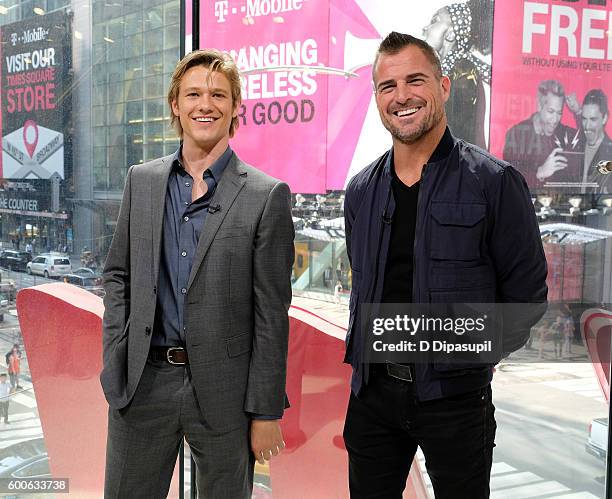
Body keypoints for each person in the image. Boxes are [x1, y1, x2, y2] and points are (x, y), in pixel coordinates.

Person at [343, 32, 547, 498]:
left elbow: (526, 298)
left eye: (415, 80)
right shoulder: (360, 191)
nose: (401, 97)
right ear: (377, 97)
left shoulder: (494, 182)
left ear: (444, 86)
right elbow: (363, 287)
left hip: (456, 400)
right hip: (372, 396)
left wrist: (470, 357)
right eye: (387, 86)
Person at [101, 49, 294, 499]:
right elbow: (118, 275)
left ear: (234, 107)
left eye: (217, 94)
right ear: (175, 104)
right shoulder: (142, 181)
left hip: (227, 394)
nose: (204, 104)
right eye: (193, 94)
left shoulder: (267, 196)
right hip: (143, 383)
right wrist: (116, 354)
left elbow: (271, 314)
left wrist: (266, 412)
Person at [423, 0, 493, 149]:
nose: (425, 28)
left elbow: (461, 132)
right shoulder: (447, 71)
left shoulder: (464, 71)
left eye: (434, 21)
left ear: (450, 34)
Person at [503, 80, 579, 188]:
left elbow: (589, 141)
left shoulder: (564, 133)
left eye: (559, 113)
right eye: (551, 111)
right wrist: (540, 172)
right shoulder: (516, 134)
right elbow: (509, 178)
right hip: (525, 203)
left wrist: (578, 112)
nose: (555, 119)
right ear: (539, 106)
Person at [567, 89, 612, 193]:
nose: (586, 126)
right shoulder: (576, 145)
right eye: (584, 119)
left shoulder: (610, 154)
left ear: (605, 118)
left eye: (593, 119)